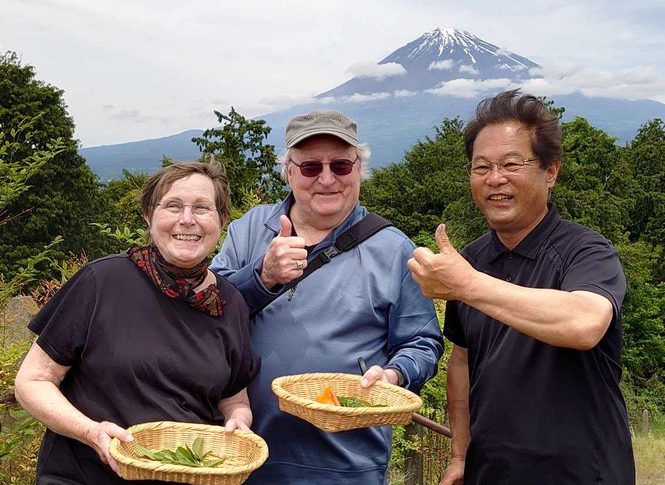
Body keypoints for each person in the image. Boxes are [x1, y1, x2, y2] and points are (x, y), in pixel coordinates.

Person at [408, 90, 635, 485]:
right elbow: (461, 361)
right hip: (490, 473)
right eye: (482, 167)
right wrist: (460, 455)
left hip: (584, 474)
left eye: (512, 163)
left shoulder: (587, 250)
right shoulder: (473, 260)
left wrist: (468, 285)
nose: (495, 179)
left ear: (551, 171)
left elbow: (584, 323)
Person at [210, 109, 443, 484]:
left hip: (346, 466)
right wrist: (262, 276)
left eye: (340, 165)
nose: (327, 179)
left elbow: (422, 341)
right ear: (288, 171)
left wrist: (396, 374)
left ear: (358, 169)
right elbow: (208, 315)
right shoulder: (249, 229)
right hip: (244, 456)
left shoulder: (392, 248)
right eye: (310, 168)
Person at [15, 161, 260, 484]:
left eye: (202, 208)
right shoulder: (101, 281)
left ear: (221, 219)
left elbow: (234, 399)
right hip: (84, 475)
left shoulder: (230, 303)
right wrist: (91, 432)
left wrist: (238, 422)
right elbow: (32, 381)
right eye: (173, 206)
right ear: (148, 215)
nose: (188, 219)